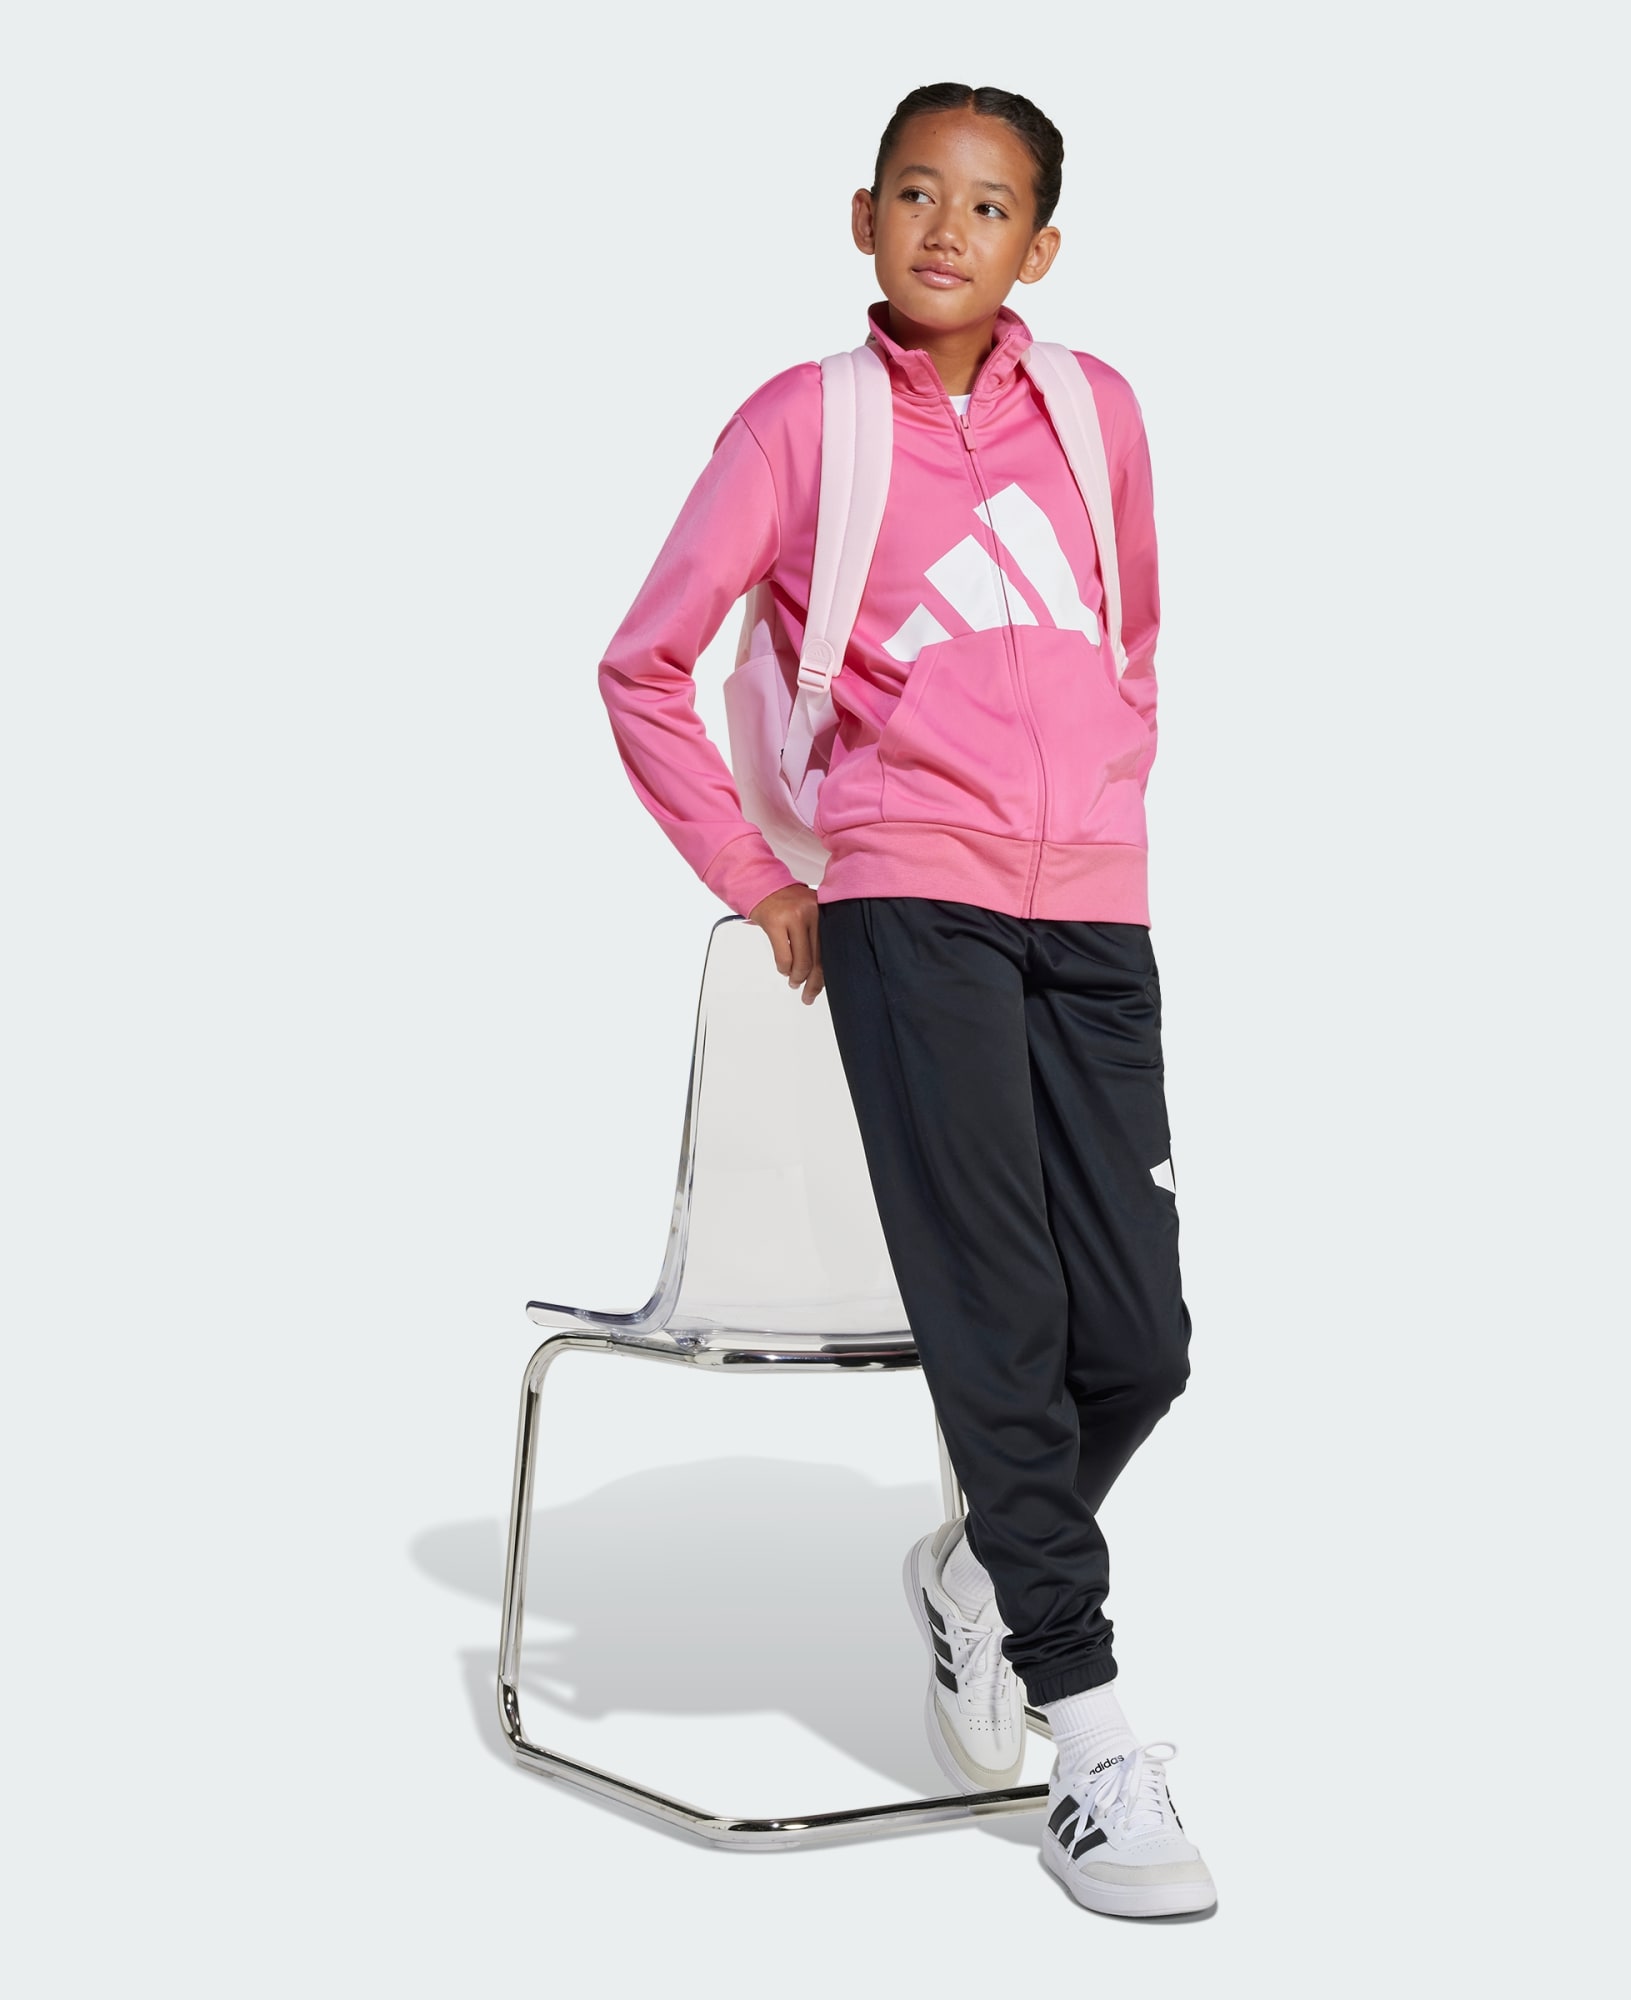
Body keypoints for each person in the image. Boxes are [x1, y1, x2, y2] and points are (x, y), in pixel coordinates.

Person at [597, 82, 1212, 1920]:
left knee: (1142, 1338)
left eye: (992, 204)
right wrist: (764, 875)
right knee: (1001, 1316)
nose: (952, 228)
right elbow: (642, 663)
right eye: (919, 194)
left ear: (1042, 244)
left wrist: (1108, 789)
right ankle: (1089, 1736)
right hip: (907, 904)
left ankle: (974, 1574)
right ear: (863, 218)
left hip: (1093, 907)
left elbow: (1133, 639)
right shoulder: (803, 427)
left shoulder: (1098, 415)